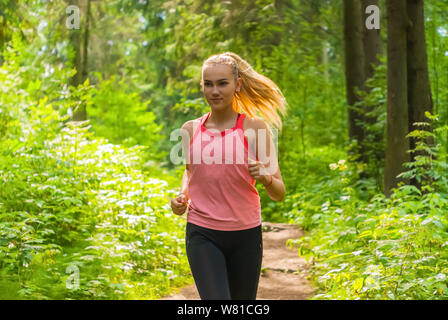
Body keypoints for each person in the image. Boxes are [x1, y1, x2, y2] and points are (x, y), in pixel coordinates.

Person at [170, 52, 286, 300]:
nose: (215, 91)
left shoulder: (255, 129)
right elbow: (190, 171)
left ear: (237, 85)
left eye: (222, 83)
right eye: (208, 84)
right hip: (202, 232)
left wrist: (265, 177)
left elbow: (279, 192)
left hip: (245, 234)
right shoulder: (189, 129)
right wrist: (182, 196)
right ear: (202, 86)